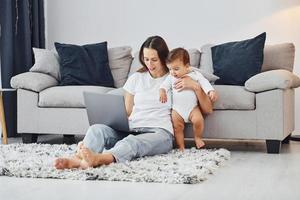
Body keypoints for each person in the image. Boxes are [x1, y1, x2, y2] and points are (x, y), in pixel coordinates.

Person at [54, 36, 213, 169]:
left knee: (132, 142)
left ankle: (99, 159)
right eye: (146, 59)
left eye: (154, 60)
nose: (149, 64)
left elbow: (207, 109)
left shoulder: (175, 77)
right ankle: (78, 159)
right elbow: (127, 110)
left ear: (164, 58)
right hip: (133, 127)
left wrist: (195, 87)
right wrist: (112, 120)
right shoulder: (136, 78)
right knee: (97, 130)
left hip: (159, 133)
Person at [159, 48, 217, 150]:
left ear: (187, 66)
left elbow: (204, 82)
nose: (172, 72)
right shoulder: (171, 77)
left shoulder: (194, 75)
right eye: (170, 69)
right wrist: (162, 91)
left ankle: (198, 137)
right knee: (177, 128)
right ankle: (181, 147)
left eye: (176, 69)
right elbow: (163, 86)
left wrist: (210, 91)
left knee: (199, 120)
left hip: (192, 108)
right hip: (177, 110)